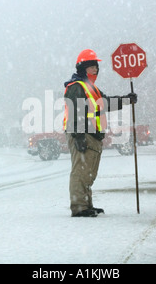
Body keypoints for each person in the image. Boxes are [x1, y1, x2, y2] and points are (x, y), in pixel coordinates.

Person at [63, 49, 137, 217]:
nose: (95, 69)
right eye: (91, 67)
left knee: (89, 172)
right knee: (81, 171)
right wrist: (79, 136)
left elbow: (105, 103)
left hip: (93, 134)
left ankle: (86, 204)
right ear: (82, 69)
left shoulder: (91, 87)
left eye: (96, 66)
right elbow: (75, 112)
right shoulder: (76, 87)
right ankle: (79, 207)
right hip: (82, 134)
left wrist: (126, 100)